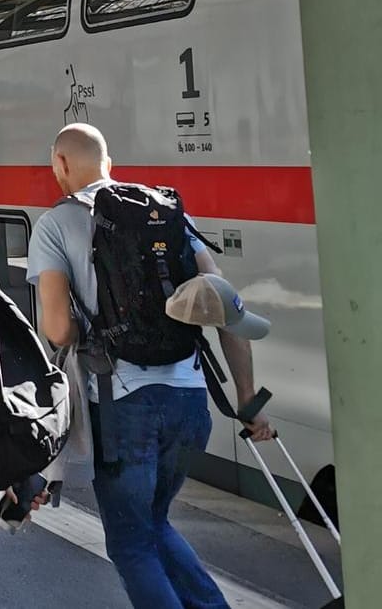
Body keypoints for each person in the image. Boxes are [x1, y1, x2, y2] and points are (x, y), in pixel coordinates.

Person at [27, 124, 273, 609]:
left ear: (59, 164)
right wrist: (246, 401)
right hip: (189, 402)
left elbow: (56, 331)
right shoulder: (167, 214)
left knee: (131, 542)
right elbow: (225, 309)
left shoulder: (55, 225)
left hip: (124, 411)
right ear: (109, 163)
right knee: (152, 523)